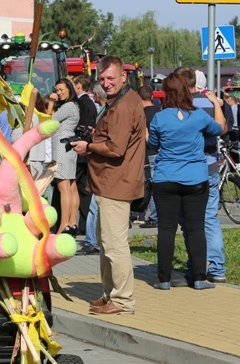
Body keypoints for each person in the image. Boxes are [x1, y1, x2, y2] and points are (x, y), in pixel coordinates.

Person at [72, 55, 146, 315]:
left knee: (115, 244)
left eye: (111, 78)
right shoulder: (120, 101)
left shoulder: (124, 105)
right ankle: (110, 293)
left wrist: (88, 146)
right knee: (106, 242)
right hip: (109, 181)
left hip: (117, 182)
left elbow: (115, 148)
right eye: (102, 79)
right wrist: (95, 136)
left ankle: (123, 301)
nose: (106, 83)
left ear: (123, 76)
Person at [147, 73, 226, 290]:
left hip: (166, 178)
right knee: (195, 228)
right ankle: (200, 278)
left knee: (166, 229)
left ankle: (163, 280)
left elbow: (153, 144)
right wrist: (216, 104)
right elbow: (220, 128)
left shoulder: (159, 117)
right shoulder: (198, 116)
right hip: (195, 179)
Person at [173, 67, 227, 285]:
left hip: (188, 169)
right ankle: (217, 267)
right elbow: (223, 129)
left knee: (188, 221)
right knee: (210, 219)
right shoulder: (209, 103)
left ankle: (195, 265)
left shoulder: (182, 107)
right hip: (211, 165)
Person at [48, 78, 81, 235]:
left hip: (61, 146)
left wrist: (50, 102)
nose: (58, 93)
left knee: (63, 187)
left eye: (61, 89)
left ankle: (63, 226)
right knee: (71, 187)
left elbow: (49, 120)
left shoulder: (68, 106)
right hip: (68, 146)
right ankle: (72, 223)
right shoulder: (73, 106)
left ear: (69, 89)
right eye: (56, 90)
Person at [79, 83, 108, 256]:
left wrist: (92, 138)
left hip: (101, 163)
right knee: (95, 205)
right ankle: (93, 240)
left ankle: (92, 241)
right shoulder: (104, 109)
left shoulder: (106, 110)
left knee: (94, 205)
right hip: (99, 162)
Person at [72, 75, 98, 235]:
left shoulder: (81, 103)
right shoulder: (91, 103)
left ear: (79, 85)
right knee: (85, 189)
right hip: (87, 149)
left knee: (76, 188)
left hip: (80, 149)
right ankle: (84, 224)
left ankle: (82, 225)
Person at [138, 85, 160, 229]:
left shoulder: (141, 115)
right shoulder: (159, 112)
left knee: (149, 185)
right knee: (157, 184)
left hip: (147, 153)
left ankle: (153, 217)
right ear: (152, 96)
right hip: (159, 152)